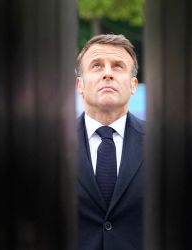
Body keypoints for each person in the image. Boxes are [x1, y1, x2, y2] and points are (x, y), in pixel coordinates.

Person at [76, 34, 145, 250]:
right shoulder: (49, 146)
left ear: (133, 85)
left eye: (118, 66)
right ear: (80, 84)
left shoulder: (164, 145)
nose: (107, 73)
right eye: (96, 66)